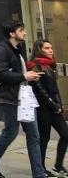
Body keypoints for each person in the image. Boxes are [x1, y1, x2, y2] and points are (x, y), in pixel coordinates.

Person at [0, 20, 47, 178]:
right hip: (9, 98)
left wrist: (29, 76)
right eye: (21, 30)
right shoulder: (0, 50)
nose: (25, 33)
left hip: (24, 97)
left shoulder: (17, 48)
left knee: (34, 135)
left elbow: (18, 72)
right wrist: (24, 76)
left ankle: (39, 173)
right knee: (10, 133)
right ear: (12, 34)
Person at [28, 40, 68, 176]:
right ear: (39, 50)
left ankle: (58, 165)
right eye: (47, 48)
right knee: (44, 138)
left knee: (65, 134)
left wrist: (59, 105)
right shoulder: (35, 66)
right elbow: (41, 90)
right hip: (43, 109)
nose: (51, 50)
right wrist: (55, 105)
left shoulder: (49, 65)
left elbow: (54, 89)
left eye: (51, 47)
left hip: (53, 107)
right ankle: (41, 168)